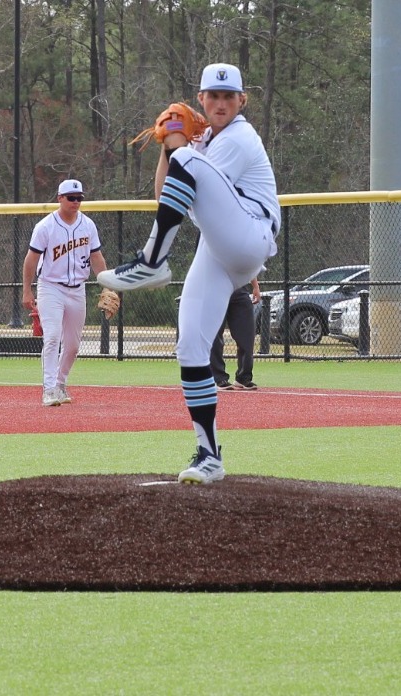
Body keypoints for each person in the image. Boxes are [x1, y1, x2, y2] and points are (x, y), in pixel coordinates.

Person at [99, 63, 279, 484]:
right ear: (201, 99)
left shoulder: (238, 137)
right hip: (219, 248)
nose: (220, 104)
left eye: (228, 97)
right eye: (212, 97)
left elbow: (191, 176)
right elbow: (166, 195)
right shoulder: (204, 144)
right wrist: (168, 148)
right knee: (191, 349)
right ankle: (209, 454)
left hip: (251, 233)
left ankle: (151, 262)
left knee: (188, 164)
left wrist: (180, 145)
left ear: (241, 101)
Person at [22, 179, 107, 407]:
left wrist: (107, 285)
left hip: (77, 289)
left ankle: (60, 384)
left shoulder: (88, 225)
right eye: (71, 198)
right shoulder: (45, 227)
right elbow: (31, 260)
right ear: (60, 198)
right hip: (51, 287)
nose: (76, 202)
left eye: (79, 198)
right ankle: (48, 390)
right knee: (52, 338)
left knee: (73, 345)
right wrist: (27, 291)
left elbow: (96, 257)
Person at [211, 277, 261, 391]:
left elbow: (249, 263)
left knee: (247, 335)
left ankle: (243, 378)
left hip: (239, 289)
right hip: (215, 289)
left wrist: (256, 286)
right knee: (215, 335)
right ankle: (218, 378)